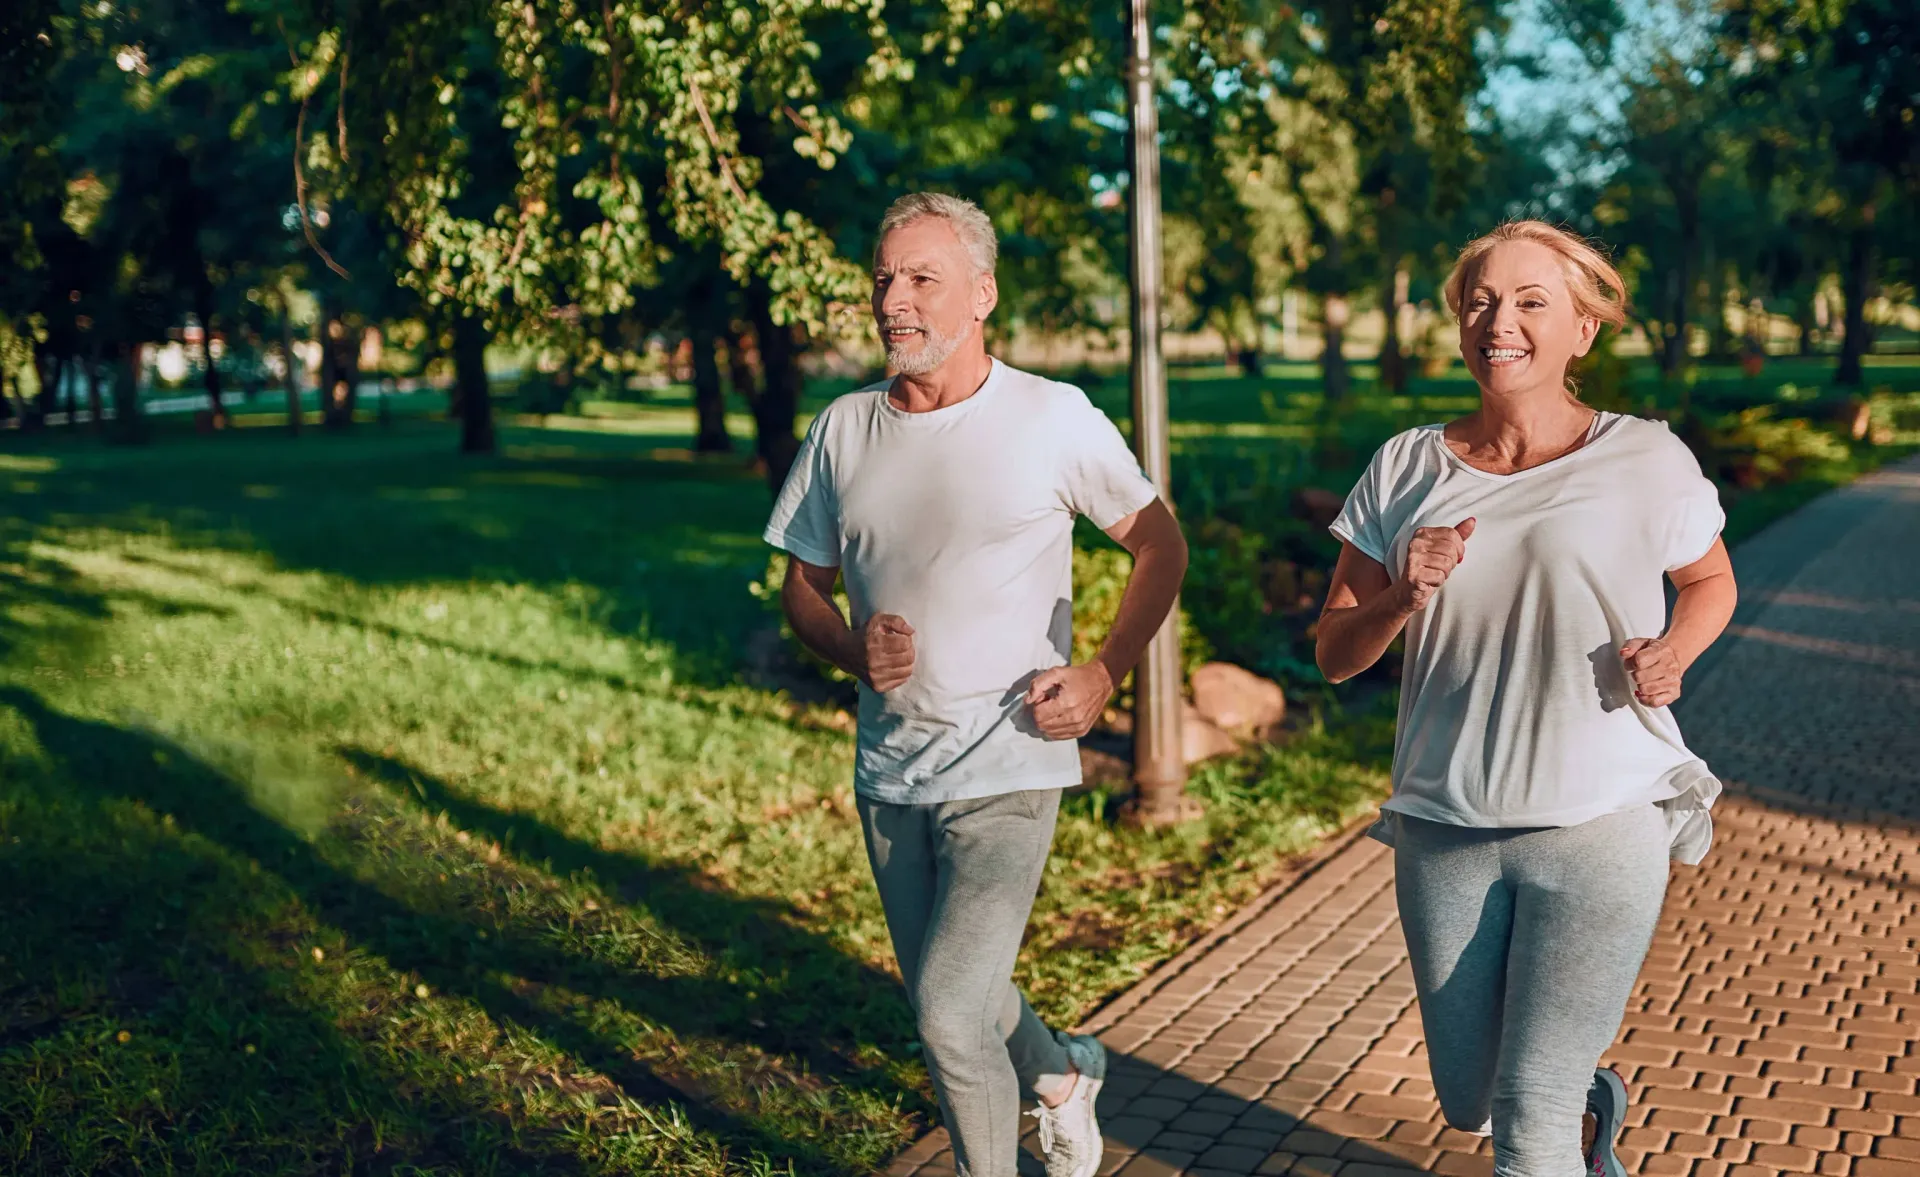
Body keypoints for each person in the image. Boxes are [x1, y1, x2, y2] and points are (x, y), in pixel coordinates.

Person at [763, 192, 1189, 1177]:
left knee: (949, 1011)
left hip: (1011, 761)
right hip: (891, 776)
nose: (894, 300)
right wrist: (849, 646)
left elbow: (1158, 545)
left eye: (922, 279)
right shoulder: (842, 431)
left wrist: (1104, 670)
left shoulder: (1051, 417)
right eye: (883, 278)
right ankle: (1062, 1075)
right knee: (964, 996)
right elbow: (802, 586)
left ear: (982, 296)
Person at [1314, 220, 1738, 1177]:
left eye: (1532, 302)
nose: (1499, 322)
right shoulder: (1406, 467)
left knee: (1526, 1113)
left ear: (1583, 330)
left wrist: (1673, 648)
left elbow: (1711, 583)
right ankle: (1590, 1096)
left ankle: (1561, 1103)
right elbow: (1336, 654)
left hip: (1602, 818)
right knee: (1470, 1096)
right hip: (1445, 823)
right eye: (1481, 301)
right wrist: (1400, 595)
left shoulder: (1643, 457)